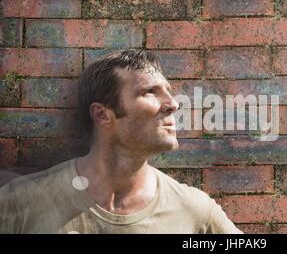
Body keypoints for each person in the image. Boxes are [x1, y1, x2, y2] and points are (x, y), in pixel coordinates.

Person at [0, 50, 242, 234]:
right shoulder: (20, 203)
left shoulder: (195, 211)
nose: (172, 103)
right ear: (102, 114)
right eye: (149, 92)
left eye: (168, 91)